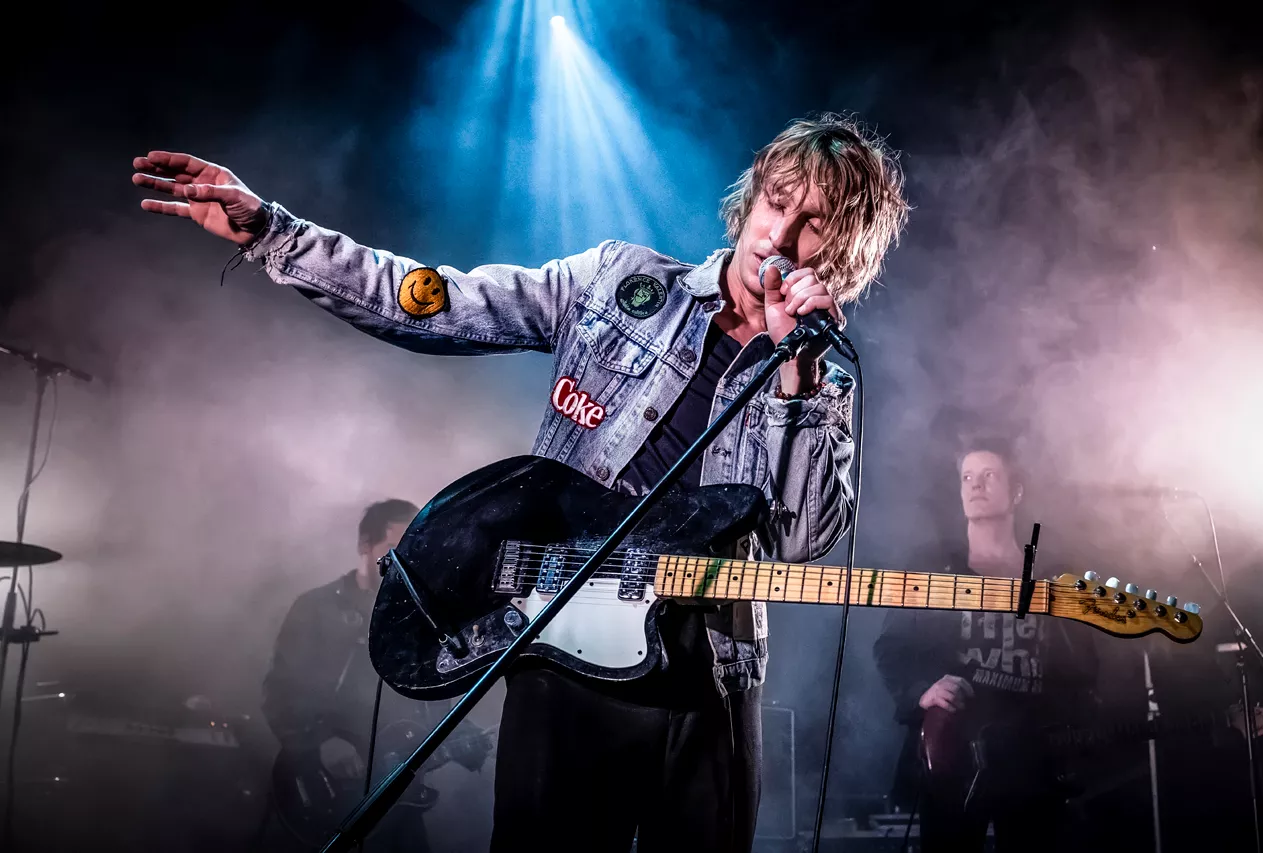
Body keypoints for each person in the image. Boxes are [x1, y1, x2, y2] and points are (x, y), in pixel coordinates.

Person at [133, 111, 909, 852]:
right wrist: (273, 232)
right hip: (566, 645)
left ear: (843, 254)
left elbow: (802, 541)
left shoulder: (822, 382)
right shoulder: (619, 282)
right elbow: (439, 302)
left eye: (814, 224)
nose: (781, 234)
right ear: (752, 197)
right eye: (776, 201)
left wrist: (797, 377)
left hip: (710, 671)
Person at [873, 436, 1100, 852]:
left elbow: (1082, 667)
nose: (975, 485)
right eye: (967, 477)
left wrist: (1069, 732)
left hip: (1033, 758)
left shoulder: (1052, 574)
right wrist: (922, 690)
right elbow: (891, 646)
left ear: (1016, 491)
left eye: (989, 475)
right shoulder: (932, 566)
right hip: (954, 756)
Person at [260, 499, 490, 851]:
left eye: (414, 550)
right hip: (322, 787)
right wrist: (319, 742)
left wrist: (465, 739)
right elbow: (281, 689)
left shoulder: (421, 618)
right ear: (364, 545)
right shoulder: (317, 608)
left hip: (397, 800)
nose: (407, 560)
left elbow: (428, 698)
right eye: (394, 549)